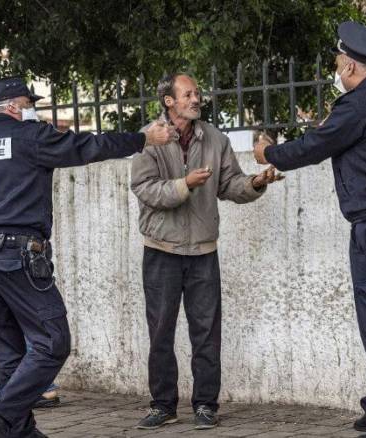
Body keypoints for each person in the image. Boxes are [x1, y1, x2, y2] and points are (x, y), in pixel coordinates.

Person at [0, 76, 175, 438]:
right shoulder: (29, 136)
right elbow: (86, 146)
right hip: (17, 252)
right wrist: (142, 138)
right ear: (15, 104)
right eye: (28, 101)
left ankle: (18, 430)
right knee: (52, 342)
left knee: (8, 350)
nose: (31, 107)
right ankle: (1, 412)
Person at [253, 21, 366, 438]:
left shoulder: (357, 107)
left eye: (338, 63)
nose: (337, 71)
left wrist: (269, 152)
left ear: (351, 66)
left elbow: (311, 148)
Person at [131, 73, 281, 431]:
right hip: (161, 250)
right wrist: (186, 184)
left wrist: (256, 182)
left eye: (197, 93)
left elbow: (230, 184)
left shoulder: (215, 138)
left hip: (202, 250)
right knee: (161, 332)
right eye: (188, 94)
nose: (196, 98)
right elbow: (145, 189)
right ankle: (163, 405)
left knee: (206, 332)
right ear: (169, 101)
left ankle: (205, 406)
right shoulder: (149, 138)